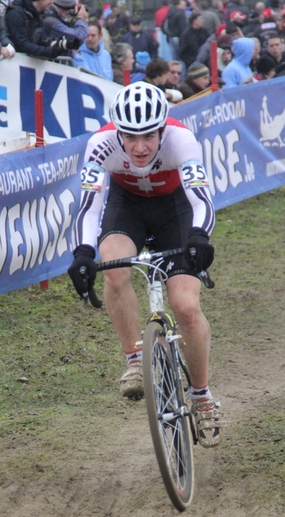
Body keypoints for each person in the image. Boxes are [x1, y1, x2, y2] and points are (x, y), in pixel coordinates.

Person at [68, 81, 220, 448]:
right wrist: (82, 253)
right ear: (117, 131)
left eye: (148, 137)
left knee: (185, 306)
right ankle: (136, 358)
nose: (138, 147)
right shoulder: (100, 145)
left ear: (162, 129)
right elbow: (88, 207)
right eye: (129, 137)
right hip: (128, 207)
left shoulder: (180, 141)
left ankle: (200, 396)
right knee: (114, 267)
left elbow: (201, 197)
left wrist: (200, 236)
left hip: (175, 210)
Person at [5, 0, 75, 59]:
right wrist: (48, 52)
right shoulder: (15, 14)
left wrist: (57, 45)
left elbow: (42, 39)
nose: (52, 2)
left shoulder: (38, 16)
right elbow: (22, 44)